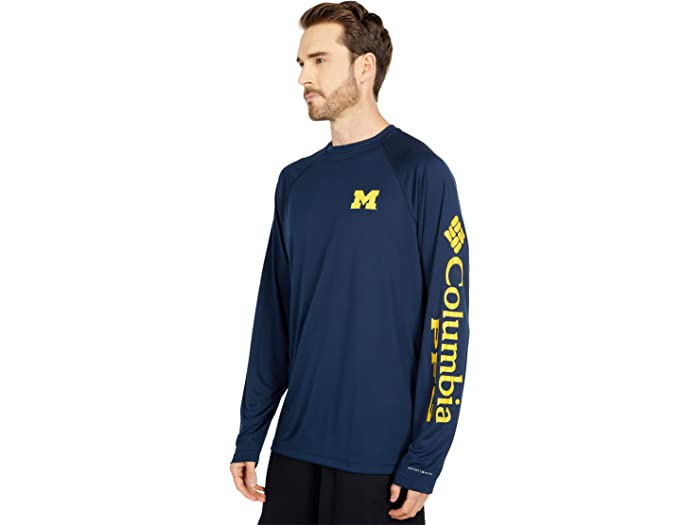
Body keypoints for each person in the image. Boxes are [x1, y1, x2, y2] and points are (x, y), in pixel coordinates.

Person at [229, 2, 470, 523]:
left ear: (365, 67)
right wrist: (251, 433)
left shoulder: (420, 174)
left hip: (380, 461)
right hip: (295, 450)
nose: (303, 77)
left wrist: (426, 459)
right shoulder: (295, 182)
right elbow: (273, 321)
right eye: (301, 63)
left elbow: (448, 323)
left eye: (319, 61)